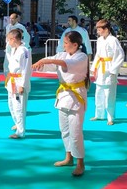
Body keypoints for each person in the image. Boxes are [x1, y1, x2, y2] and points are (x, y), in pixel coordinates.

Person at [32, 31, 89, 177]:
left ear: (75, 45)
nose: (63, 45)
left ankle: (80, 163)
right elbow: (52, 60)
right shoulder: (63, 55)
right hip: (63, 96)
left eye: (65, 43)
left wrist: (46, 61)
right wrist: (39, 63)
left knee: (76, 132)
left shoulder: (81, 57)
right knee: (64, 130)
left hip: (76, 97)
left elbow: (65, 64)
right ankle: (68, 157)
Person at [90, 19, 125, 125]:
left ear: (106, 29)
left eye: (99, 29)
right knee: (98, 93)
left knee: (109, 95)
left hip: (109, 68)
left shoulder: (113, 40)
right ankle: (99, 115)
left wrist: (113, 70)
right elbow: (98, 55)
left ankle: (110, 117)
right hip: (101, 68)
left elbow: (120, 55)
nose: (98, 31)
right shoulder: (100, 40)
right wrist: (94, 68)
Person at [5, 29, 32, 139]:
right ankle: (17, 123)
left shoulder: (24, 51)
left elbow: (26, 69)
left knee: (19, 107)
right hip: (12, 81)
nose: (8, 42)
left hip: (19, 81)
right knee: (11, 105)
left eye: (8, 40)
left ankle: (20, 132)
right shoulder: (14, 49)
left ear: (14, 39)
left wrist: (22, 85)